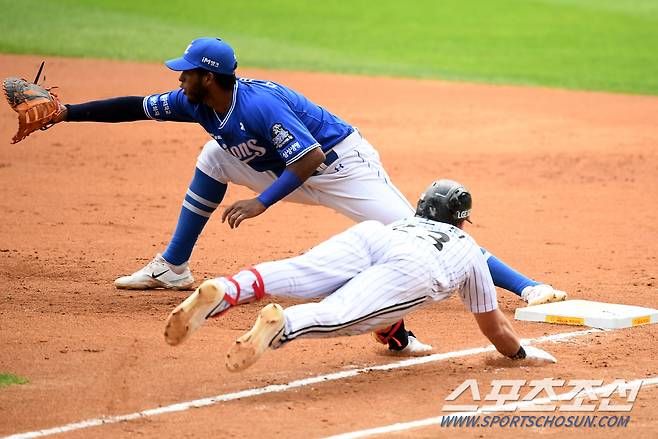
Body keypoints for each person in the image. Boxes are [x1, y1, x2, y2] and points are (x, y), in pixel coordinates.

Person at [51, 37, 565, 353]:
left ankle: (528, 286)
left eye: (185, 70)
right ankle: (173, 266)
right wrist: (64, 113)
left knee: (420, 230)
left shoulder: (257, 107)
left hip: (342, 165)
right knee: (213, 159)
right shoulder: (200, 101)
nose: (177, 77)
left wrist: (260, 203)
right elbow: (133, 106)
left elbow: (312, 160)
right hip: (282, 164)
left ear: (209, 76)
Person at [164, 179, 558, 371]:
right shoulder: (469, 251)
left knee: (301, 270)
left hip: (373, 236)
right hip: (414, 266)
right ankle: (283, 323)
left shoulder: (404, 221)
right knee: (343, 313)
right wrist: (519, 353)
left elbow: (388, 304)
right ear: (462, 220)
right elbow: (495, 329)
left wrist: (399, 341)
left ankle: (231, 288)